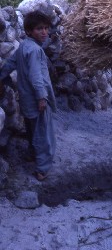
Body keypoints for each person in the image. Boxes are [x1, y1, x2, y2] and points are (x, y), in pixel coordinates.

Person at [0, 10, 56, 181]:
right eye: (39, 29)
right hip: (37, 99)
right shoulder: (35, 51)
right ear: (29, 31)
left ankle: (32, 154)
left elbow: (10, 63)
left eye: (46, 28)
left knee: (32, 130)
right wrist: (41, 97)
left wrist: (1, 75)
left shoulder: (23, 46)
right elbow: (36, 76)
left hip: (25, 99)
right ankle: (42, 168)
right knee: (43, 134)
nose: (44, 32)